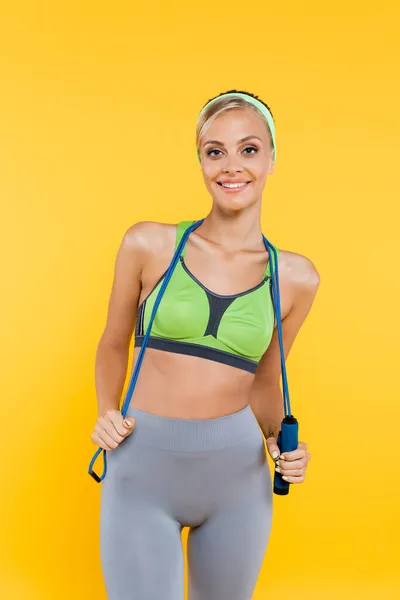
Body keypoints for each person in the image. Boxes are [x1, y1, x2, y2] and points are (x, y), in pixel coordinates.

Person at [90, 89, 320, 600]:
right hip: (140, 464)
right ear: (200, 160)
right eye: (215, 151)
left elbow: (265, 380)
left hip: (238, 477)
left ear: (271, 159)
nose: (231, 166)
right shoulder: (149, 245)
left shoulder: (296, 279)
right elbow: (112, 344)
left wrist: (283, 448)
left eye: (249, 149)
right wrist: (107, 410)